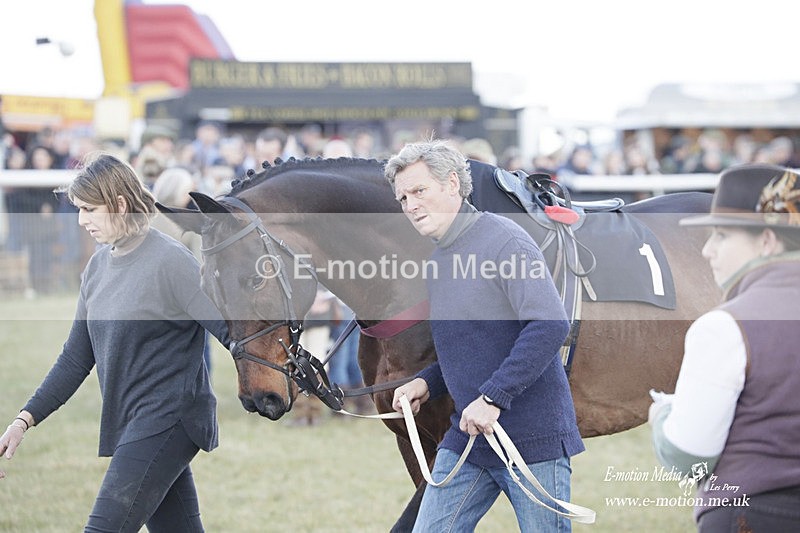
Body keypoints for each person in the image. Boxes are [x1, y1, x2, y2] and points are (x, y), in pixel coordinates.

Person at [0, 152, 231, 532]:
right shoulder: (97, 267)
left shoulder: (171, 261)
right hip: (132, 421)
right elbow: (75, 358)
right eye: (78, 209)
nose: (81, 220)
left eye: (89, 209)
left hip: (171, 418)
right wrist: (24, 420)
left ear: (120, 204)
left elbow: (229, 330)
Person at [385, 139, 584, 532]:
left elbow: (549, 325)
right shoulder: (439, 259)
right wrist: (426, 383)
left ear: (453, 185)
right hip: (469, 438)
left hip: (532, 438)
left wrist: (494, 398)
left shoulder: (505, 241)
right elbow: (471, 345)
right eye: (403, 197)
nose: (410, 205)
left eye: (419, 191)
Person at [649, 163, 800, 531]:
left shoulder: (725, 326)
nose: (707, 250)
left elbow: (690, 456)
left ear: (766, 240)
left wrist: (662, 419)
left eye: (721, 235)